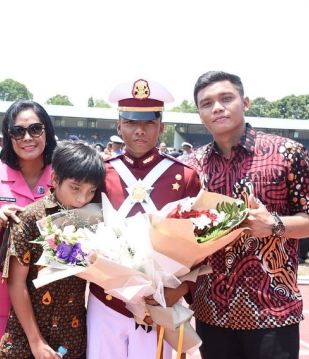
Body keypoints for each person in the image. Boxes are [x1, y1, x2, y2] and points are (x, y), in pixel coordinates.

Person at [184, 71, 309, 359]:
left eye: (226, 98)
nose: (218, 108)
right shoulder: (191, 167)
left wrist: (273, 224)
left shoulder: (286, 153)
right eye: (207, 103)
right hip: (212, 313)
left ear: (245, 102)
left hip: (272, 310)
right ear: (200, 113)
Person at [87, 78, 201, 359]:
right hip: (106, 298)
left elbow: (200, 244)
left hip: (161, 301)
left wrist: (183, 288)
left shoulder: (184, 176)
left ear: (161, 127)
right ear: (119, 126)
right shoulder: (99, 172)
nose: (139, 130)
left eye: (149, 123)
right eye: (130, 122)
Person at [0, 140, 106, 359]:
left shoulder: (92, 220)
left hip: (72, 338)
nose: (82, 199)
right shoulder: (29, 218)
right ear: (55, 179)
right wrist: (36, 342)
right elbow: (16, 284)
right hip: (26, 339)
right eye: (75, 188)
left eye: (91, 191)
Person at [0, 99, 57, 359]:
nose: (27, 137)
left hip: (51, 297)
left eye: (35, 129)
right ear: (8, 137)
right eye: (18, 131)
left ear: (47, 131)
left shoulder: (63, 176)